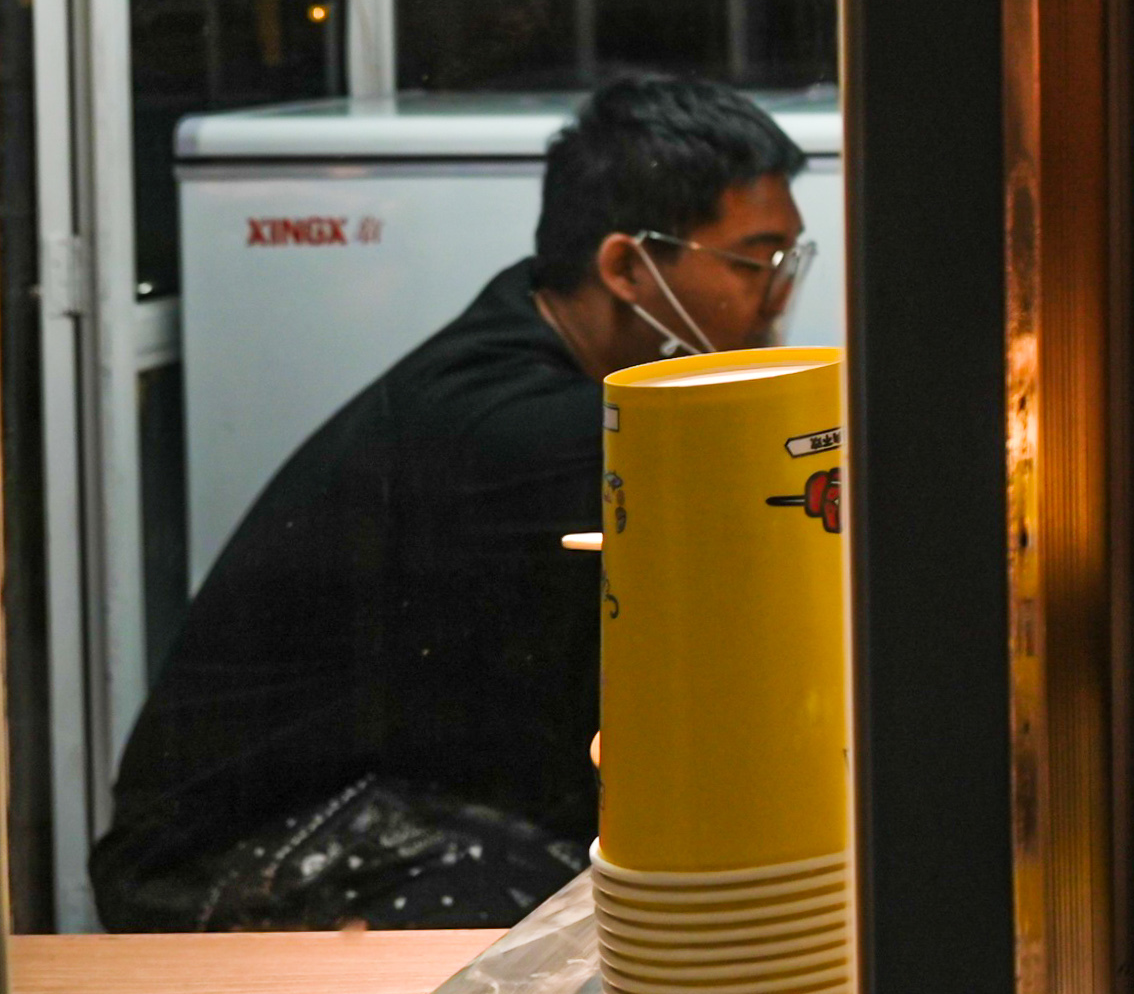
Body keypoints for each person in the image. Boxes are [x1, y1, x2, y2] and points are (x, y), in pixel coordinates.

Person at [95, 78, 813, 930]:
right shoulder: (523, 428)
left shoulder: (534, 333)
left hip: (387, 785)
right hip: (217, 852)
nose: (777, 299)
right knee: (595, 903)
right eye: (753, 261)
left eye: (786, 263)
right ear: (625, 266)